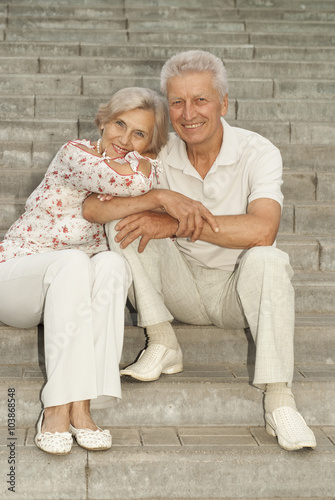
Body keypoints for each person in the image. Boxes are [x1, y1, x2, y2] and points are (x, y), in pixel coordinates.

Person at [82, 51, 316, 452]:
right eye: (177, 102)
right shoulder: (156, 152)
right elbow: (94, 206)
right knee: (122, 221)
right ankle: (162, 341)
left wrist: (174, 223)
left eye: (201, 100)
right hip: (181, 287)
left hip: (239, 293)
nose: (188, 113)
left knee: (269, 258)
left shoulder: (258, 152)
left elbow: (263, 229)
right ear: (167, 107)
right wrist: (154, 197)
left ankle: (280, 402)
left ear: (224, 103)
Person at [0, 87, 169, 455]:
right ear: (103, 121)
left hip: (67, 291)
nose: (124, 140)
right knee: (75, 261)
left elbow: (148, 172)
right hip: (16, 278)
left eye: (138, 133)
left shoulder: (141, 162)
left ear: (149, 141)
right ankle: (57, 408)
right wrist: (154, 191)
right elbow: (133, 181)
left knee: (111, 264)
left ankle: (83, 405)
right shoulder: (74, 154)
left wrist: (146, 168)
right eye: (118, 124)